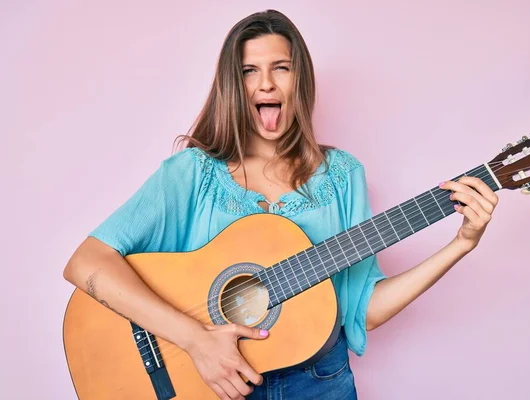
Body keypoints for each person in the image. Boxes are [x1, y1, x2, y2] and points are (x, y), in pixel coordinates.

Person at [63, 9, 499, 400]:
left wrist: (460, 244)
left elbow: (363, 309)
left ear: (299, 80)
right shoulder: (192, 173)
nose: (266, 82)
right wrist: (196, 340)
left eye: (281, 68)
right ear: (234, 84)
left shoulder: (343, 175)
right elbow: (85, 262)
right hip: (212, 383)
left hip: (320, 384)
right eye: (250, 70)